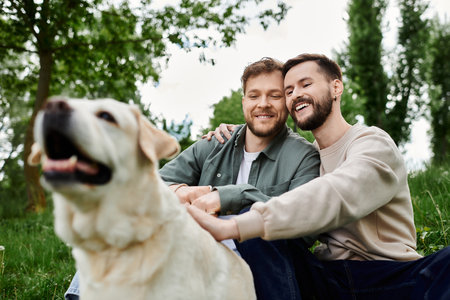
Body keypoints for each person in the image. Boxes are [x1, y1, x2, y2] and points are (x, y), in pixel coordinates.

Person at [189, 53, 450, 299]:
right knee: (262, 240)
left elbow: (339, 193)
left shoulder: (373, 143)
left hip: (388, 275)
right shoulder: (308, 157)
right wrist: (241, 133)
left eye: (306, 84)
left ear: (336, 88)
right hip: (327, 278)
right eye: (289, 91)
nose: (296, 95)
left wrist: (236, 226)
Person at [64, 57, 320, 300]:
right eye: (254, 96)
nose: (263, 103)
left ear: (286, 102)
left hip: (261, 266)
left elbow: (304, 229)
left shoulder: (303, 156)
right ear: (244, 102)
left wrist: (232, 195)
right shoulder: (215, 143)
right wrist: (181, 192)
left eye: (274, 96)